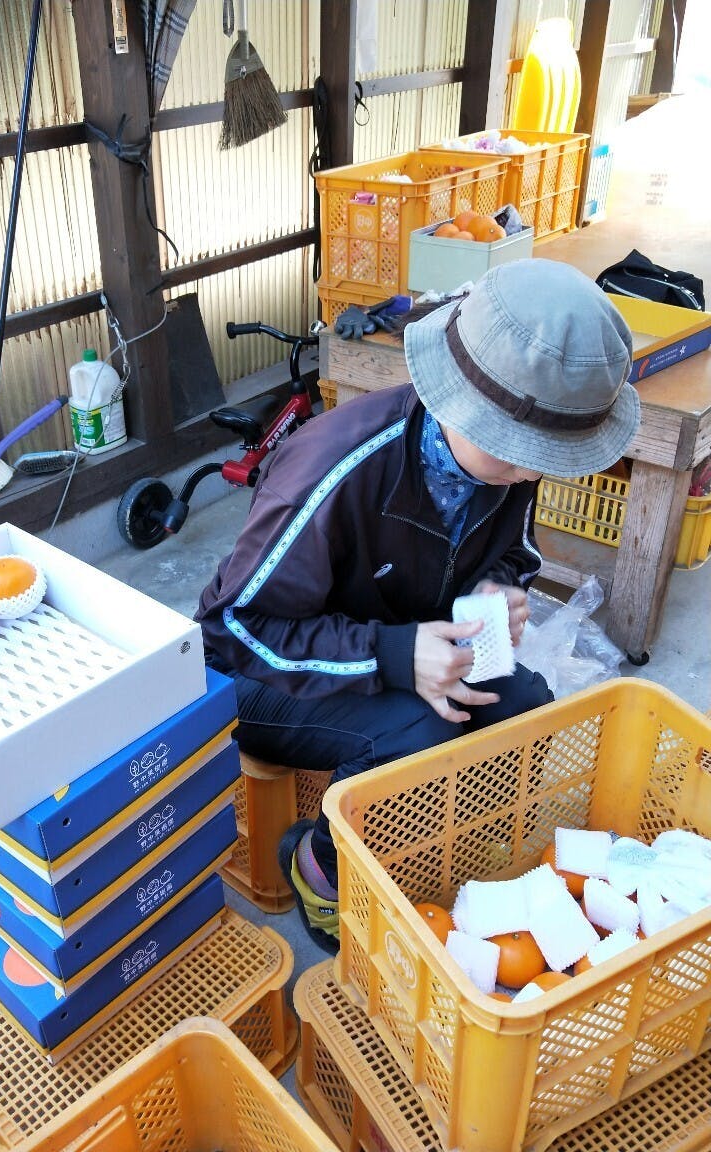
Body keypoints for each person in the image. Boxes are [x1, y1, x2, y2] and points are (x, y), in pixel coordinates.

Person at [195, 259, 640, 952]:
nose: (531, 472)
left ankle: (449, 843)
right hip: (261, 675)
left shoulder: (507, 465)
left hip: (396, 637)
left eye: (545, 457)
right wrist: (395, 656)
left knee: (522, 706)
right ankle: (320, 868)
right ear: (460, 405)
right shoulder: (331, 470)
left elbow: (515, 551)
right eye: (519, 454)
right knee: (416, 736)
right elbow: (233, 631)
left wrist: (497, 588)